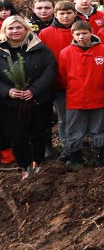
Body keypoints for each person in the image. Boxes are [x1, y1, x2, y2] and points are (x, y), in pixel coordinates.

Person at [0, 16, 56, 179]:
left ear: (26, 29)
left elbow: (50, 70)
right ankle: (25, 165)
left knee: (38, 133)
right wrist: (7, 91)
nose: (15, 31)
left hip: (37, 100)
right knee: (17, 137)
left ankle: (37, 161)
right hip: (8, 103)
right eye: (11, 28)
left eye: (19, 28)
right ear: (5, 30)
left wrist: (34, 90)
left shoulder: (40, 48)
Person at [58, 21, 104, 167]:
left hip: (99, 96)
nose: (81, 37)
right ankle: (75, 156)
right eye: (78, 34)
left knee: (99, 127)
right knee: (73, 128)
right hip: (75, 98)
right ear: (73, 35)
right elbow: (63, 76)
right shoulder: (65, 53)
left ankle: (98, 154)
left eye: (85, 33)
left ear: (91, 32)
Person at [38, 1, 80, 154]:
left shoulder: (82, 30)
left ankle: (79, 143)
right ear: (55, 15)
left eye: (69, 13)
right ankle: (67, 148)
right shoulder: (46, 33)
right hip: (58, 84)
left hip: (81, 82)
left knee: (80, 116)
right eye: (62, 13)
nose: (66, 16)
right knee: (64, 118)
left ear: (75, 14)